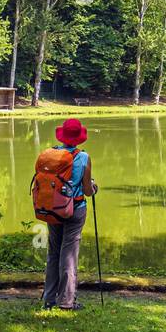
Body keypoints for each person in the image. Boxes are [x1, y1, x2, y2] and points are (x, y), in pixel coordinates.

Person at [42, 118, 97, 310]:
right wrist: (93, 187)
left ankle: (49, 299)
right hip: (75, 209)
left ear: (62, 136)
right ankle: (66, 301)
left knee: (54, 252)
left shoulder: (52, 154)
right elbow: (87, 190)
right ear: (79, 138)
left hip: (53, 209)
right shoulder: (83, 157)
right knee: (69, 254)